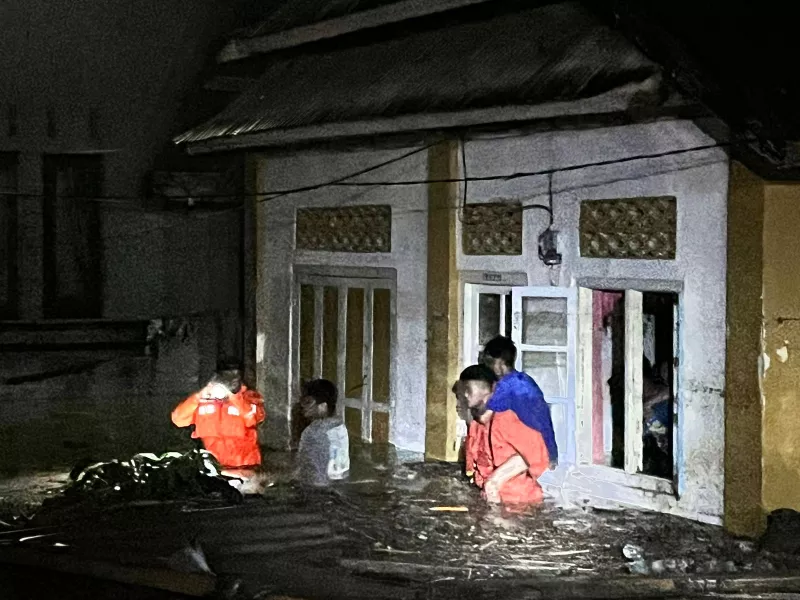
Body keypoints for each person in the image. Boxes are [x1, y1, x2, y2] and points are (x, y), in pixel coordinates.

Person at [460, 364, 550, 506]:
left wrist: (495, 480)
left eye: (469, 388)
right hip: (490, 502)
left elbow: (538, 453)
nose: (465, 395)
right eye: (463, 390)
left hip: (520, 503)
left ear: (492, 389)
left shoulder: (508, 417)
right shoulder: (476, 425)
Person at [482, 335, 558, 470]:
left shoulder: (506, 385)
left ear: (499, 363)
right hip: (546, 450)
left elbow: (484, 419)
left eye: (489, 362)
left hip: (527, 454)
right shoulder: (525, 380)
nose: (487, 367)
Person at [171, 364, 265, 469]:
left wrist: (233, 396)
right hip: (213, 466)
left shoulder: (247, 398)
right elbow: (178, 419)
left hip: (245, 464)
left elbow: (253, 418)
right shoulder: (201, 402)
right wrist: (198, 397)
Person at [294, 379, 350, 486]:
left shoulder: (312, 432)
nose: (303, 406)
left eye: (308, 402)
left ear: (323, 407)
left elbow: (302, 468)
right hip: (337, 487)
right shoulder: (339, 426)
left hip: (316, 488)